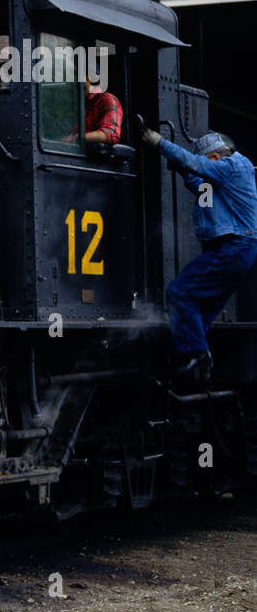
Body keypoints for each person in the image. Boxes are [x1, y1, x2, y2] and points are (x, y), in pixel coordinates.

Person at [141, 126, 257, 382]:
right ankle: (194, 368)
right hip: (235, 251)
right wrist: (181, 166)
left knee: (179, 293)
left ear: (214, 157)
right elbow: (198, 181)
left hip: (232, 248)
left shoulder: (232, 167)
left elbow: (196, 165)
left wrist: (160, 143)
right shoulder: (218, 180)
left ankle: (196, 354)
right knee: (199, 315)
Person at [83, 74, 122, 144]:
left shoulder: (106, 99)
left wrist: (76, 138)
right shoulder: (75, 103)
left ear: (88, 78)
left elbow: (110, 134)